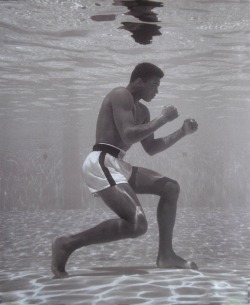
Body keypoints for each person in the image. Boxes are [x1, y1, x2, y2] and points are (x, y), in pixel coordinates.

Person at [51, 62, 198, 278]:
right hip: (100, 160)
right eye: (154, 85)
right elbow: (129, 134)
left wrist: (182, 132)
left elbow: (151, 148)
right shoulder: (120, 94)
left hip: (117, 164)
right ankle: (67, 243)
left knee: (170, 187)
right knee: (137, 225)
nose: (157, 90)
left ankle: (166, 255)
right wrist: (163, 119)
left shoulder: (143, 111)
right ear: (140, 81)